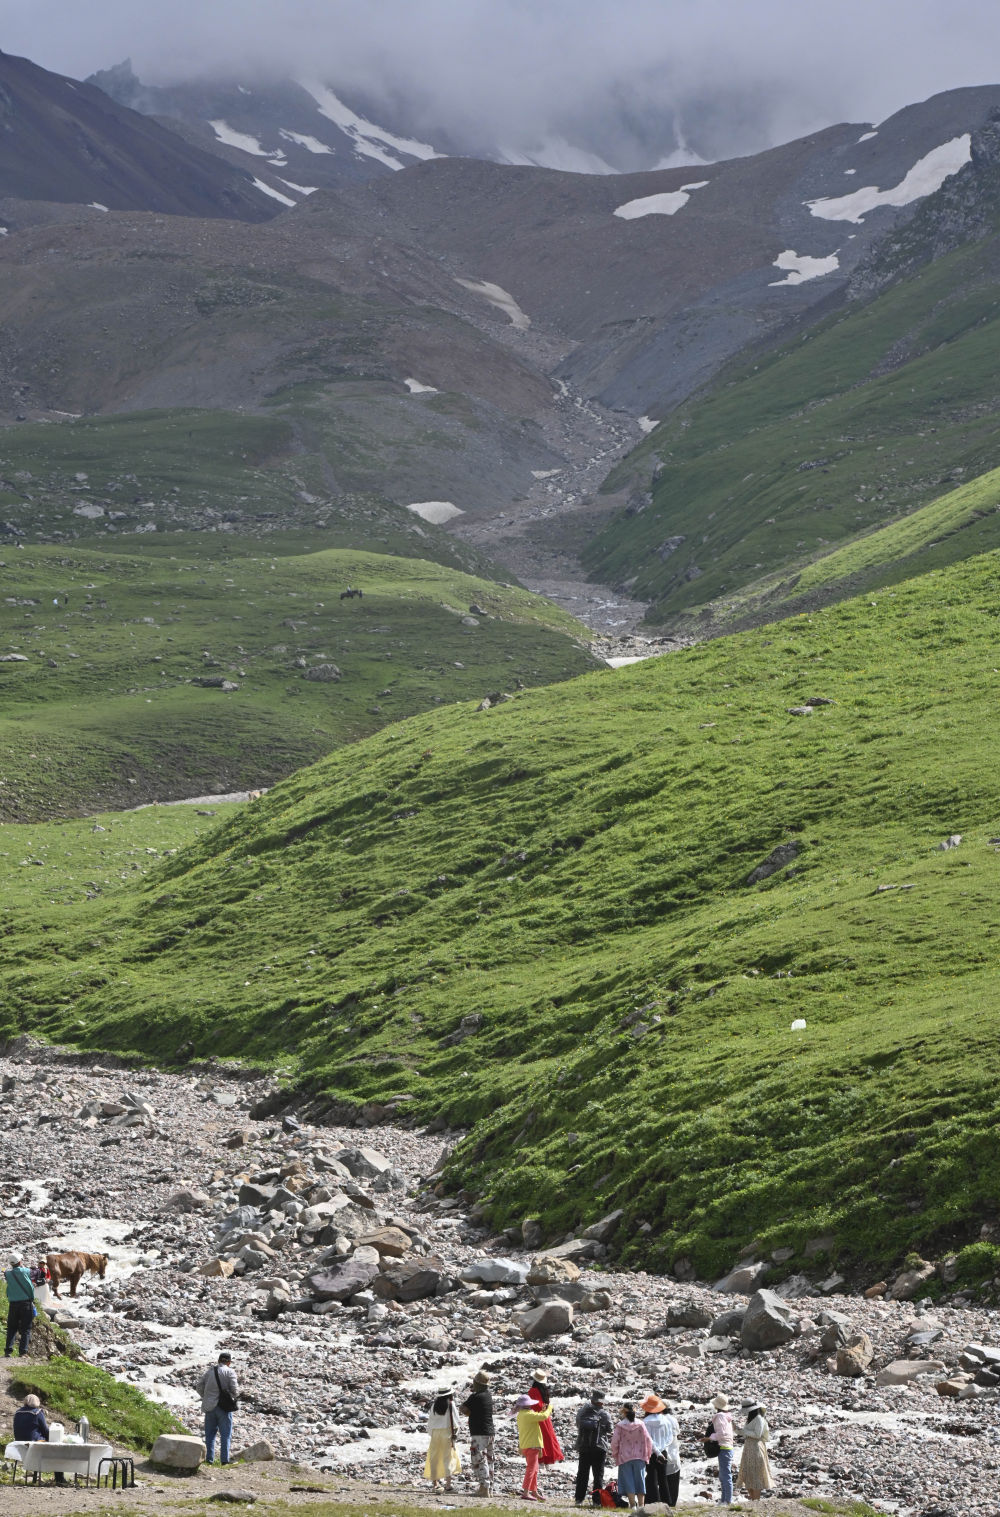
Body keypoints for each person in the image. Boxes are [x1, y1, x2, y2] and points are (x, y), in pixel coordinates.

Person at [12, 1394, 67, 1487]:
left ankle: (37, 1477)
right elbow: (45, 1431)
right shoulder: (37, 1413)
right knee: (57, 1449)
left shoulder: (17, 1413)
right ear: (37, 1402)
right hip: (34, 1444)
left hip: (19, 1444)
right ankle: (59, 1479)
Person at [197, 1350, 239, 1466]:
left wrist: (205, 1396)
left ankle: (209, 1460)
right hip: (224, 1408)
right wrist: (232, 1397)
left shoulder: (210, 1371)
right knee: (225, 1435)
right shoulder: (230, 1372)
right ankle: (224, 1461)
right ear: (229, 1362)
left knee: (210, 1434)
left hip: (209, 1406)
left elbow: (199, 1386)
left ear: (218, 1361)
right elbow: (235, 1390)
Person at [638, 1395, 680, 1507]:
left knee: (651, 1476)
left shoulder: (646, 1422)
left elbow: (648, 1439)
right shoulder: (666, 1420)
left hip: (651, 1453)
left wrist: (657, 1451)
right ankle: (667, 1502)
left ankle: (653, 1501)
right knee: (663, 1478)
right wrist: (662, 1450)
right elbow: (670, 1437)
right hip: (663, 1452)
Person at [610, 1403, 653, 1511]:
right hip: (640, 1456)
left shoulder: (620, 1425)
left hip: (624, 1457)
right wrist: (648, 1454)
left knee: (628, 1480)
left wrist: (615, 1454)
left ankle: (633, 1505)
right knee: (640, 1480)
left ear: (624, 1412)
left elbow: (615, 1442)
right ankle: (641, 1505)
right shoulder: (641, 1424)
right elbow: (648, 1440)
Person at [574, 1389, 613, 1507]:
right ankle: (597, 1501)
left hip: (584, 1446)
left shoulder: (582, 1412)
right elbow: (610, 1429)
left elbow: (578, 1424)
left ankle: (579, 1500)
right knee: (598, 1475)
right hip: (599, 1447)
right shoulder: (605, 1414)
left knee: (582, 1473)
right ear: (601, 1402)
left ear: (592, 1400)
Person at [512, 1392, 553, 1501]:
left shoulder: (521, 1415)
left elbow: (538, 1416)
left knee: (534, 1469)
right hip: (532, 1445)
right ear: (528, 1405)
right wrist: (549, 1408)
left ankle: (534, 1491)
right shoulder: (529, 1414)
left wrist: (544, 1410)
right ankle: (526, 1492)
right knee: (531, 1469)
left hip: (525, 1445)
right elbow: (543, 1416)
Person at [460, 1370, 495, 1496]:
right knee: (489, 1459)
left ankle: (484, 1488)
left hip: (479, 1433)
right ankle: (489, 1488)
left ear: (477, 1384)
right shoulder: (488, 1396)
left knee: (479, 1459)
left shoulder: (476, 1397)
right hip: (490, 1432)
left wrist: (470, 1414)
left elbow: (463, 1408)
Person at [736, 1399, 773, 1502]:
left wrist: (743, 1431)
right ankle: (754, 1500)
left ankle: (755, 1501)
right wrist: (736, 1429)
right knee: (748, 1474)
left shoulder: (759, 1419)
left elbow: (757, 1434)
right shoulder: (751, 1419)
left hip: (756, 1448)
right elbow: (746, 1432)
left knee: (756, 1475)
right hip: (749, 1448)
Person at [424, 1389, 461, 1492]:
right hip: (447, 1432)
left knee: (434, 1457)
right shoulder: (451, 1404)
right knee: (448, 1458)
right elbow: (456, 1420)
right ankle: (448, 1485)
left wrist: (432, 1433)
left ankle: (435, 1484)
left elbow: (430, 1421)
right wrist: (456, 1433)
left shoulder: (434, 1405)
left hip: (435, 1433)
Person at [528, 1369, 564, 1467]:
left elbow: (532, 1405)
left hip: (536, 1418)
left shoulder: (532, 1391)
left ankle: (541, 1460)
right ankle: (547, 1460)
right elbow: (545, 1405)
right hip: (545, 1417)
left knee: (539, 1438)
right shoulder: (544, 1391)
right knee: (548, 1437)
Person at [4, 1256, 35, 1358]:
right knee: (25, 1328)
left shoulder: (7, 1274)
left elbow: (7, 1273)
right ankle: (23, 1352)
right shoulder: (26, 1271)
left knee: (12, 1328)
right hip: (26, 1303)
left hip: (13, 1304)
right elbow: (34, 1275)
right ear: (20, 1261)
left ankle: (8, 1351)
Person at [709, 1393, 735, 1506]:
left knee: (725, 1475)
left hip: (724, 1447)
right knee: (724, 1475)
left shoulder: (719, 1416)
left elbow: (722, 1433)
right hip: (728, 1447)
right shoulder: (727, 1416)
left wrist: (709, 1438)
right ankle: (724, 1499)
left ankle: (728, 1500)